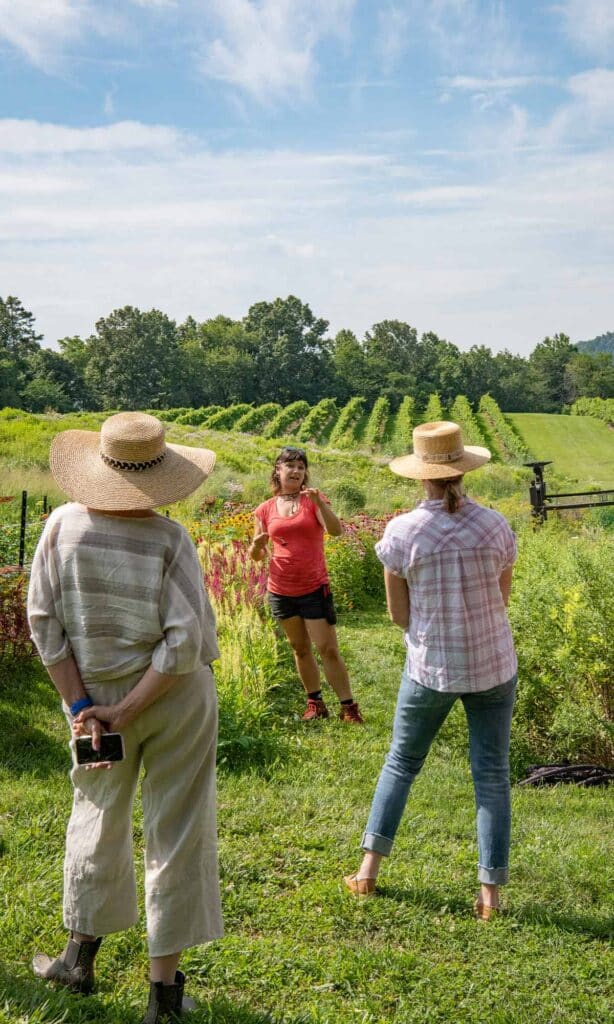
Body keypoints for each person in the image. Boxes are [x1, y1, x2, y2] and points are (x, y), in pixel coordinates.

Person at [27, 412, 223, 1023]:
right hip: (173, 699)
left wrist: (85, 706)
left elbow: (44, 624)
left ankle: (77, 961)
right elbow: (185, 642)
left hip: (93, 698)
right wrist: (131, 706)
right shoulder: (170, 539)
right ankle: (164, 996)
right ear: (161, 475)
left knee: (97, 813)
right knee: (179, 825)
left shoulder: (61, 527)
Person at [344, 421, 517, 919]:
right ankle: (490, 897)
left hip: (431, 666)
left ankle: (368, 873)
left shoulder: (403, 531)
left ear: (421, 476)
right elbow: (500, 599)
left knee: (402, 762)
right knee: (492, 775)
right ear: (464, 470)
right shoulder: (495, 525)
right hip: (493, 664)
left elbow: (398, 615)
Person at [249, 445, 363, 723]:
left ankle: (348, 707)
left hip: (313, 586)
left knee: (327, 648)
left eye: (301, 467)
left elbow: (336, 532)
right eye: (291, 466)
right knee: (299, 648)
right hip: (280, 589)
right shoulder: (264, 510)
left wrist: (320, 503)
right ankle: (315, 703)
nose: (297, 471)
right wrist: (256, 545)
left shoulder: (313, 500)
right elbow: (257, 557)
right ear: (278, 470)